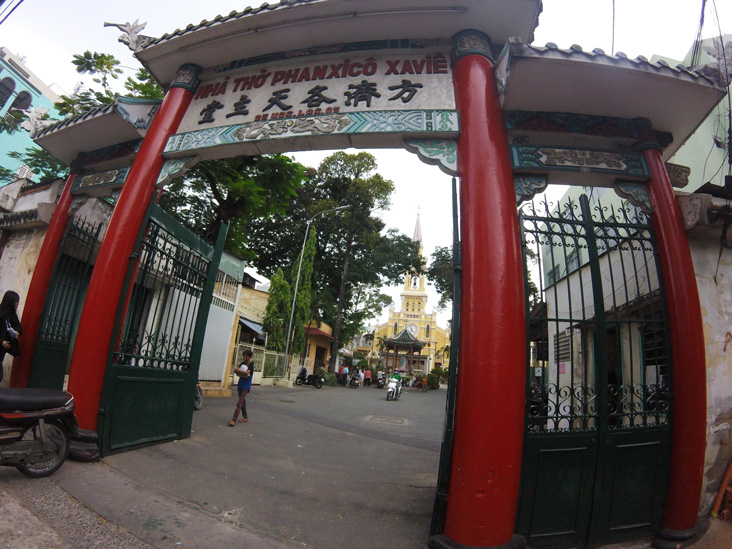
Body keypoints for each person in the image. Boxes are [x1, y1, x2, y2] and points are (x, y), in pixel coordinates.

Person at [0, 291, 22, 384]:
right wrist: (1, 341)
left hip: (2, 349)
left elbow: (18, 326)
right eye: (16, 301)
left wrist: (17, 331)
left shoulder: (12, 314)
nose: (17, 304)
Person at [229, 349, 254, 426]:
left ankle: (234, 419)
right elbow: (235, 371)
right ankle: (245, 417)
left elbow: (246, 373)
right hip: (240, 385)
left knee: (239, 403)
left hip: (246, 386)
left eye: (246, 356)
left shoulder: (251, 365)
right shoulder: (242, 363)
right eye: (243, 356)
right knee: (242, 401)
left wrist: (240, 372)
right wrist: (242, 373)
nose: (244, 357)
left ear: (249, 357)